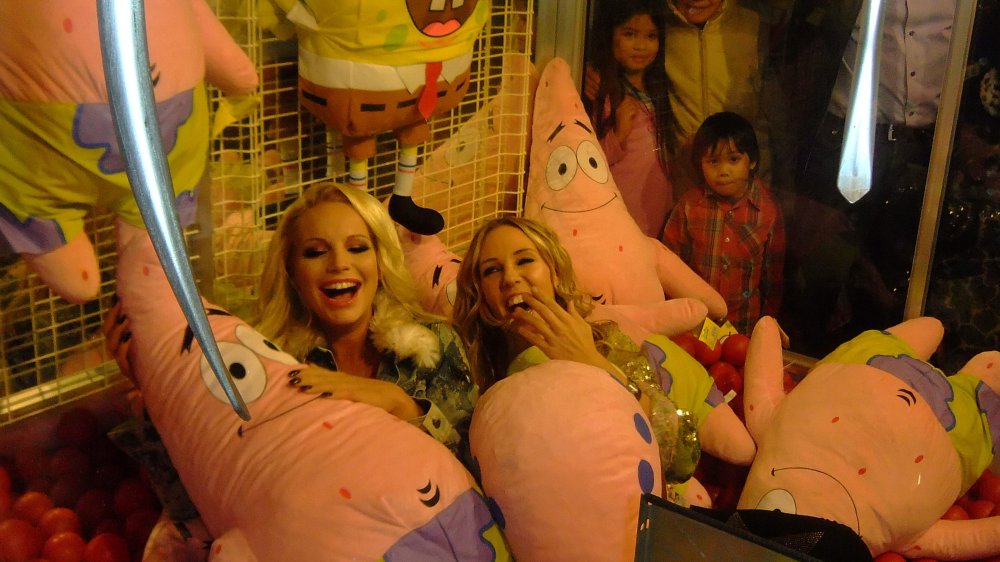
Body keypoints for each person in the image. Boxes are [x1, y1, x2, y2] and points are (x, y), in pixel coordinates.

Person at [451, 216, 714, 492]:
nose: (510, 278)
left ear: (553, 273)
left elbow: (683, 457)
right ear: (480, 293)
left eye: (525, 260)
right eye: (492, 270)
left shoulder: (605, 341)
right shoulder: (473, 372)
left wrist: (593, 364)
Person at [777, 1, 957, 356]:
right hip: (844, 134)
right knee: (820, 271)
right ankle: (802, 367)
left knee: (895, 281)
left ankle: (885, 371)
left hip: (927, 143)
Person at [661, 111, 785, 335]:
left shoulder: (767, 211)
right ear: (700, 164)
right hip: (695, 325)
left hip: (744, 327)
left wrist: (768, 325)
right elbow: (670, 264)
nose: (723, 171)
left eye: (734, 159)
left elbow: (773, 278)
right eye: (713, 161)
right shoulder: (689, 206)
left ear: (752, 161)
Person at [588, 0, 677, 237]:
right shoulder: (603, 95)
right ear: (610, 36)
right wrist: (618, 134)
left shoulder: (659, 92)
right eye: (630, 34)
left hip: (656, 218)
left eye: (651, 36)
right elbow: (588, 162)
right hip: (620, 219)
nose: (641, 46)